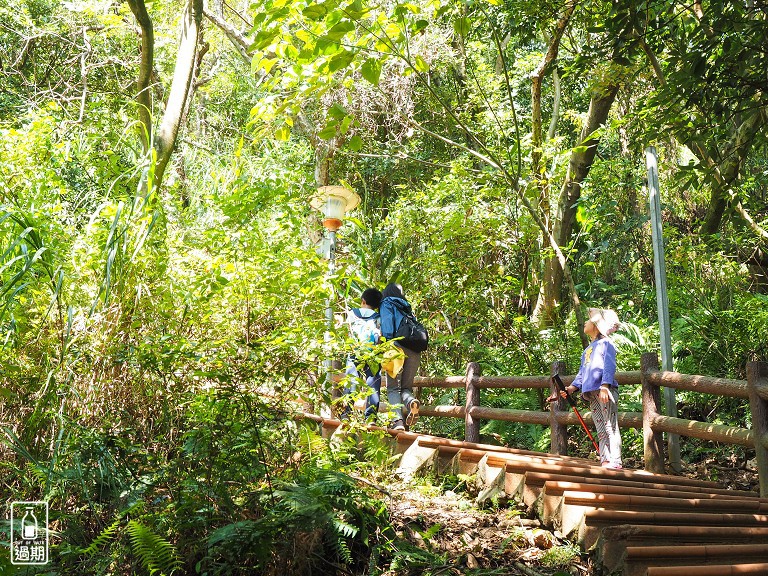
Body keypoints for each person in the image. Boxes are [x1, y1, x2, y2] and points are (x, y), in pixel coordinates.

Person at [553, 307, 623, 469]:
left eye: (589, 320)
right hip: (591, 393)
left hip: (604, 390)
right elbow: (582, 372)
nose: (585, 322)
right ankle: (605, 459)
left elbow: (609, 366)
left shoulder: (606, 344)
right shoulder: (588, 349)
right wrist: (572, 388)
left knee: (610, 425)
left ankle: (616, 460)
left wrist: (605, 386)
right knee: (600, 425)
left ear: (597, 326)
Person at [379, 283, 421, 431]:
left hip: (396, 347)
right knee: (405, 387)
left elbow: (388, 328)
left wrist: (385, 345)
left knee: (393, 388)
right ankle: (411, 403)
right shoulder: (407, 307)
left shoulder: (386, 303)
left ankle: (397, 422)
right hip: (414, 349)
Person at [343, 287, 383, 421]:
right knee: (373, 384)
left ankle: (346, 414)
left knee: (352, 381)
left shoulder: (352, 313)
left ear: (363, 300)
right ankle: (371, 418)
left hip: (355, 352)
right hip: (373, 354)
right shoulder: (378, 317)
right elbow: (380, 337)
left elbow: (348, 333)